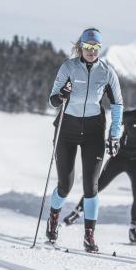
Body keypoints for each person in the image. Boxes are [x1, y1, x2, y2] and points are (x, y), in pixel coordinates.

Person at [46, 28, 123, 253]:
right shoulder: (68, 67)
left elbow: (118, 104)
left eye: (95, 48)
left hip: (93, 131)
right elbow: (52, 100)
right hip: (66, 129)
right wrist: (62, 96)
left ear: (100, 48)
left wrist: (115, 134)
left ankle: (89, 235)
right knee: (65, 185)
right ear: (81, 47)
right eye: (88, 47)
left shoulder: (107, 72)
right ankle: (53, 218)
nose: (91, 51)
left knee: (91, 187)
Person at [64, 91, 136, 244]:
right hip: (120, 157)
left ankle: (133, 230)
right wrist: (111, 139)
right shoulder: (129, 116)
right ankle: (76, 212)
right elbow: (115, 126)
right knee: (97, 186)